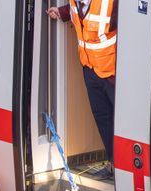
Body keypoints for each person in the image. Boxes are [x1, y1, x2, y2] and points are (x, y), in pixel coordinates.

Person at [47, 1, 116, 168]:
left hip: (113, 73)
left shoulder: (112, 3)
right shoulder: (75, 2)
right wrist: (61, 12)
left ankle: (124, 168)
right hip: (90, 69)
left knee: (121, 122)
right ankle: (114, 164)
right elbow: (77, 13)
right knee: (103, 119)